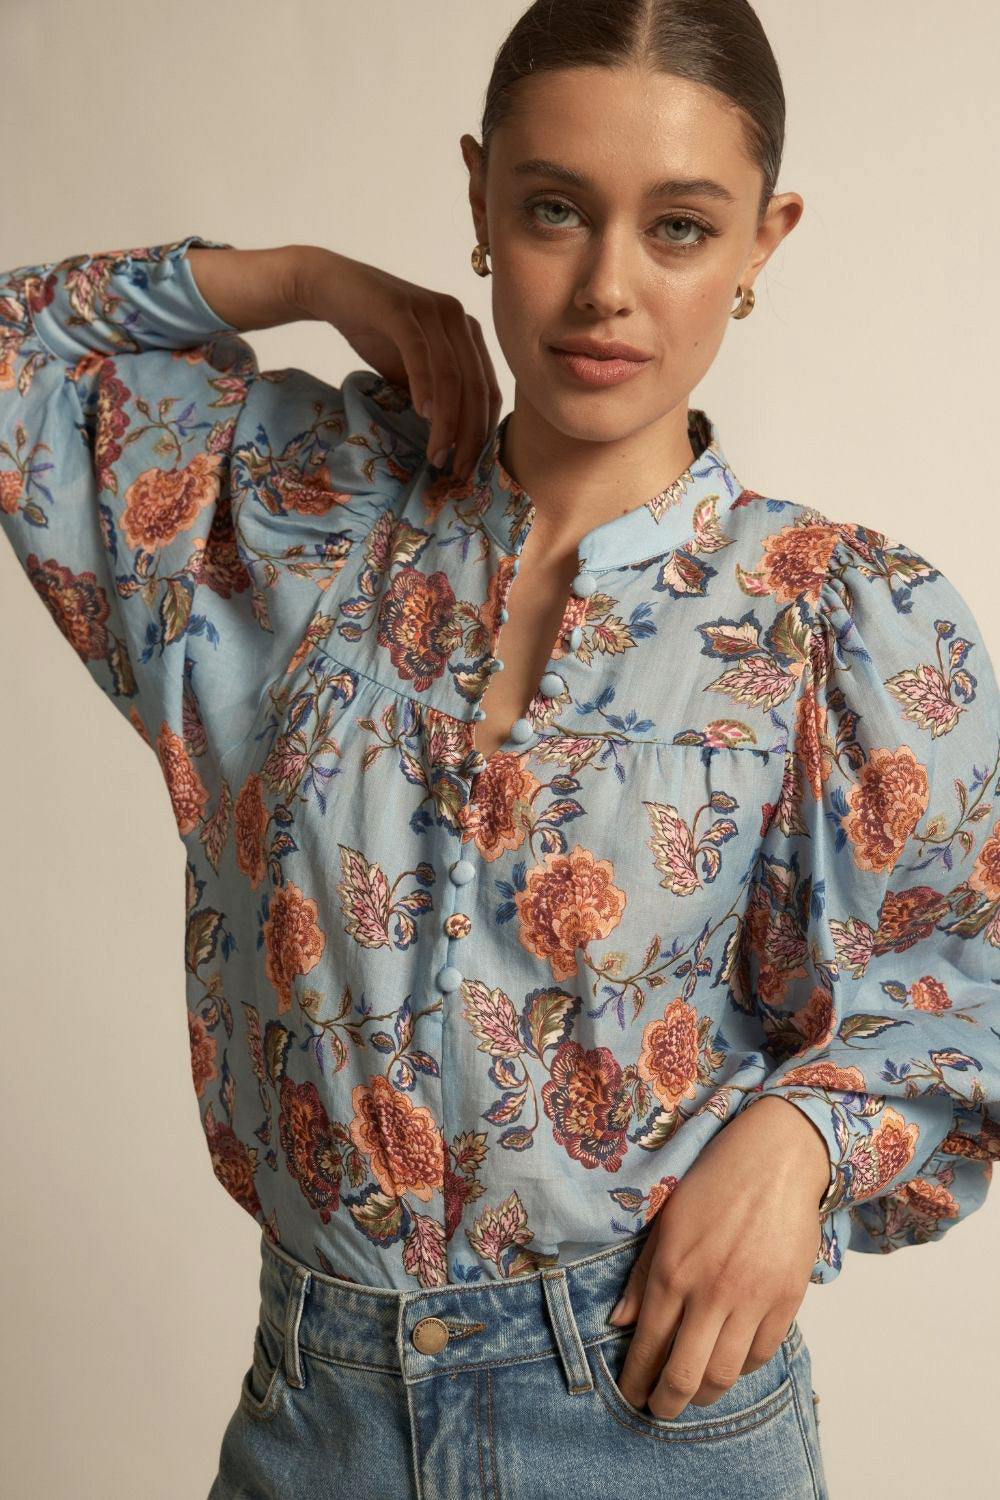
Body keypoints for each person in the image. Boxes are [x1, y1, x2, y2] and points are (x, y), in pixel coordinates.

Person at [2, 1, 998, 1496]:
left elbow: (968, 983)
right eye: (553, 210)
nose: (606, 287)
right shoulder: (288, 516)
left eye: (678, 227)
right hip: (314, 1417)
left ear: (762, 243)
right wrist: (313, 279)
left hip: (656, 1418)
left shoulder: (841, 617)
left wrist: (803, 1142)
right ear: (477, 201)